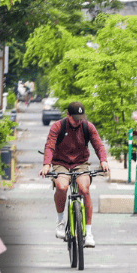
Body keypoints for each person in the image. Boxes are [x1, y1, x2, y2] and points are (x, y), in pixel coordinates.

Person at [39, 102, 109, 247]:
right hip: (61, 163)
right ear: (68, 115)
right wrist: (47, 164)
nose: (78, 121)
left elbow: (98, 144)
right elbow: (50, 145)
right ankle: (60, 221)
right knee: (62, 186)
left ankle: (88, 233)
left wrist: (103, 161)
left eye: (80, 118)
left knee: (84, 189)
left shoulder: (87, 126)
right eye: (75, 118)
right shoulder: (57, 127)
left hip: (80, 163)